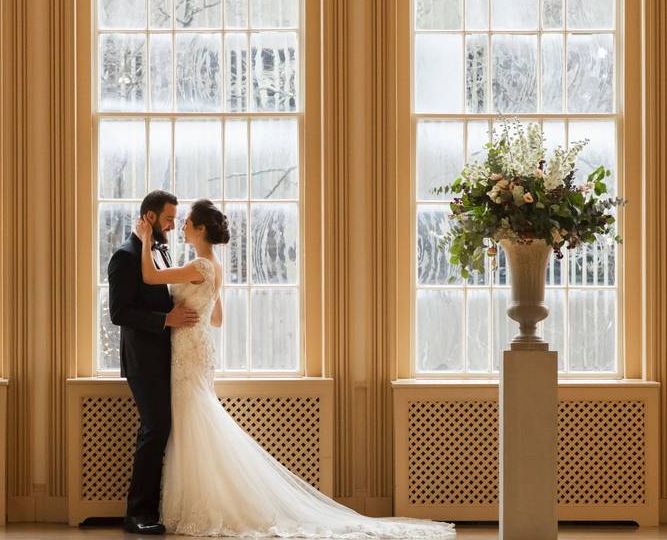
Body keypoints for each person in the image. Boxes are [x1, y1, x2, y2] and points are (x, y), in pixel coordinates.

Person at [130, 198, 457, 538]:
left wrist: (144, 242)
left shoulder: (199, 266)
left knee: (191, 422)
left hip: (187, 352)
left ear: (199, 229)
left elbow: (149, 275)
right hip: (197, 350)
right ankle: (203, 499)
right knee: (195, 421)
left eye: (185, 223)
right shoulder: (213, 267)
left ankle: (202, 502)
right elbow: (217, 317)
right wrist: (192, 312)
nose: (180, 226)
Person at [108, 190, 198, 535]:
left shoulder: (158, 251)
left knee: (160, 430)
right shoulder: (124, 256)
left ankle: (152, 508)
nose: (174, 226)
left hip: (167, 359)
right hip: (143, 361)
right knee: (155, 429)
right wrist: (165, 320)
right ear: (149, 217)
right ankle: (137, 514)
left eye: (176, 220)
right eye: (169, 219)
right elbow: (119, 312)